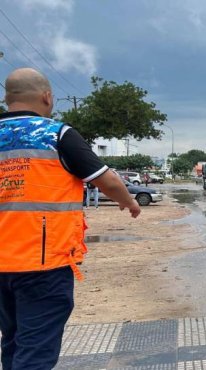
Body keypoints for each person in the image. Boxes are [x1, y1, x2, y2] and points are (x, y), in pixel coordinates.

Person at [0, 68, 142, 369]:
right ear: (47, 97)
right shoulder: (56, 135)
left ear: (7, 97)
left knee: (12, 340)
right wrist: (129, 202)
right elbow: (107, 180)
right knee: (35, 350)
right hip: (43, 264)